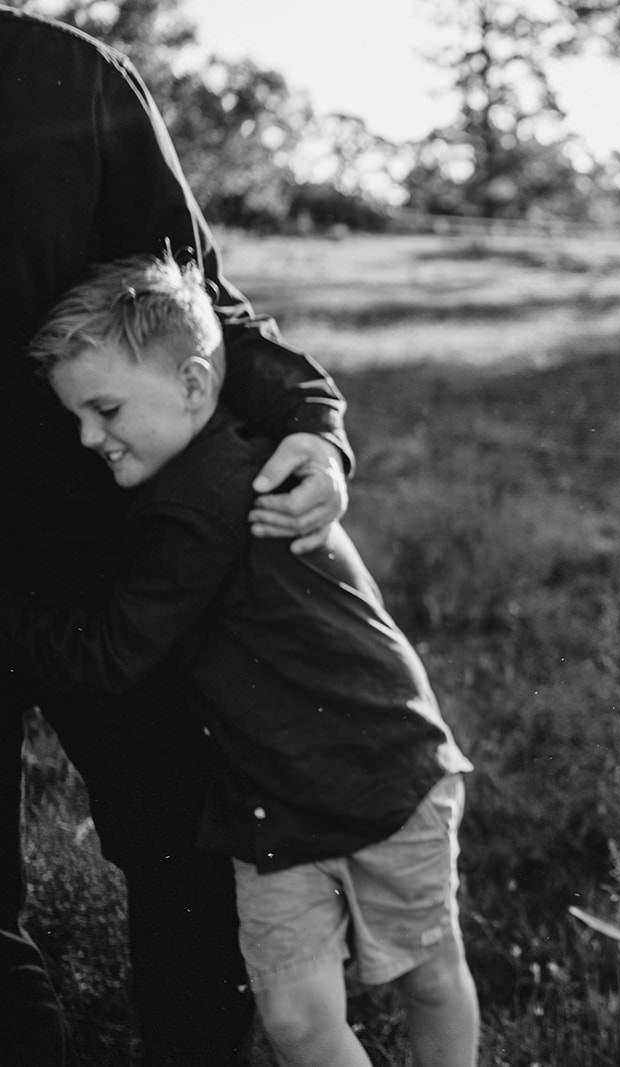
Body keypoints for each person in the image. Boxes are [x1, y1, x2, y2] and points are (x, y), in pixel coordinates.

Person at [3, 252, 479, 1067]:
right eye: (76, 416)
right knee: (296, 1019)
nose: (88, 437)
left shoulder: (207, 501)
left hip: (380, 770)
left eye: (105, 408)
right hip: (268, 801)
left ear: (193, 384)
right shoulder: (183, 476)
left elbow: (111, 652)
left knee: (429, 971)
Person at [0, 8, 353, 1063]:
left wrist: (316, 425)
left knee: (188, 859)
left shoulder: (69, 81)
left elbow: (190, 310)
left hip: (110, 561)